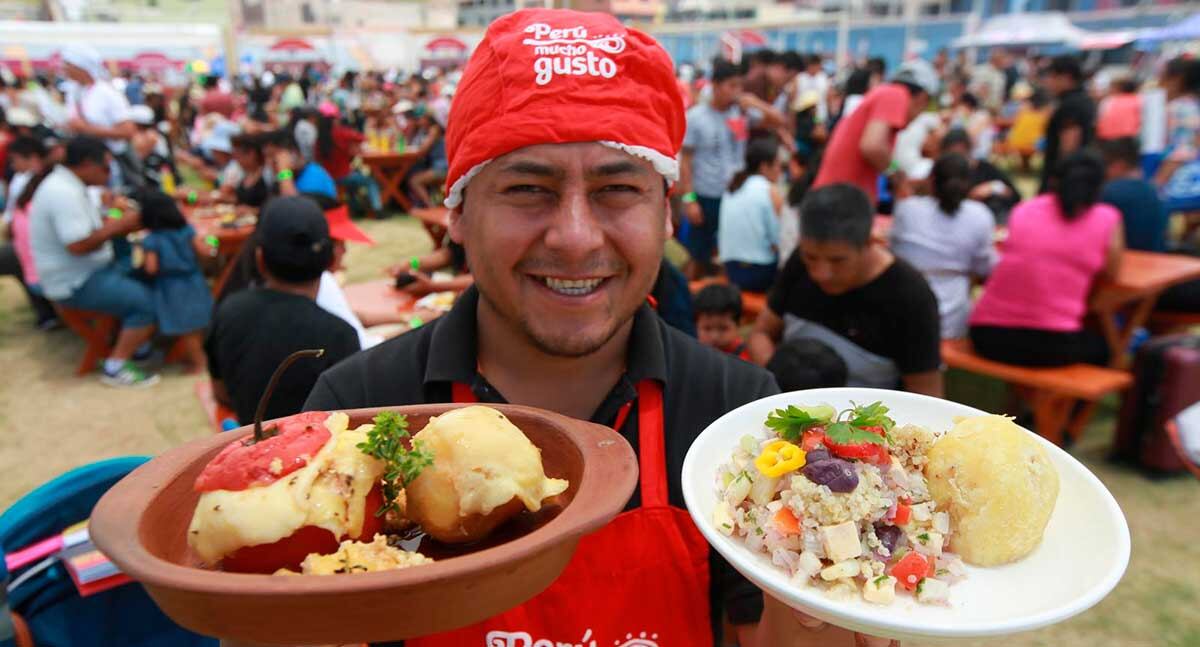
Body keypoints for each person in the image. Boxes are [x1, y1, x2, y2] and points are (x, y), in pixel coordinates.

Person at [303, 9, 894, 647]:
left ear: (666, 214)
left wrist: (839, 602)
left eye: (617, 189)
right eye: (528, 188)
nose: (577, 238)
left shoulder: (735, 413)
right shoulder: (357, 412)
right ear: (458, 212)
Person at [748, 183, 943, 396]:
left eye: (837, 260)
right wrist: (781, 384)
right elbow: (761, 333)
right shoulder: (799, 261)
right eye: (811, 257)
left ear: (870, 242)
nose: (821, 273)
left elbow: (926, 393)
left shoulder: (910, 297)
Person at [206, 196, 360, 424]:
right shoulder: (340, 335)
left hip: (250, 434)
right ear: (330, 260)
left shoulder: (228, 310)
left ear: (260, 259)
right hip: (317, 444)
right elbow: (351, 418)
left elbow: (220, 391)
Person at [970, 151, 1123, 367]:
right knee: (1106, 349)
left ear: (1055, 180)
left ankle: (1020, 391)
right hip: (1053, 342)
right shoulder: (1107, 218)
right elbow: (1112, 272)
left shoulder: (1025, 210)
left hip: (986, 335)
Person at [29, 136, 158, 387]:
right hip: (75, 283)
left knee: (147, 278)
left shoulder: (69, 185)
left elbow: (87, 233)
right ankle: (116, 366)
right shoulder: (62, 192)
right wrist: (120, 225)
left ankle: (139, 346)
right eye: (106, 167)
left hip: (85, 273)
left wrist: (111, 216)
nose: (109, 174)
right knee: (146, 302)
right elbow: (78, 245)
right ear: (88, 164)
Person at [679, 59, 784, 278]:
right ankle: (694, 291)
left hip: (736, 194)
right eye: (732, 86)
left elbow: (778, 120)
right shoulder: (696, 117)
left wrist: (756, 103)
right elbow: (685, 161)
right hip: (707, 195)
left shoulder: (741, 113)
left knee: (729, 251)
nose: (737, 91)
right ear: (716, 85)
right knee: (698, 254)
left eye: (740, 86)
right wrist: (689, 199)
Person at [891, 153, 997, 339]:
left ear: (931, 180)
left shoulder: (907, 209)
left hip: (903, 314)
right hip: (953, 320)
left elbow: (894, 252)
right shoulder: (979, 215)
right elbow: (985, 267)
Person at [812, 58, 938, 205]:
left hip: (839, 200)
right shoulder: (896, 94)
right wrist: (898, 176)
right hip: (838, 203)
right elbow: (872, 146)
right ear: (922, 98)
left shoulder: (885, 94)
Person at [137, 189, 212, 373]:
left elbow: (151, 268)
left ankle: (199, 363)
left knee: (186, 329)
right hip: (194, 280)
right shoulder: (187, 231)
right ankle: (198, 358)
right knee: (196, 327)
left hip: (172, 287)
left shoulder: (152, 239)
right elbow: (204, 251)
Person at [0, 135, 59, 329]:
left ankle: (47, 313)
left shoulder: (38, 182)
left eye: (14, 160)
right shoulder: (28, 180)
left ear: (33, 158)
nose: (12, 165)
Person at [60, 45, 136, 187]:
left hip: (107, 163)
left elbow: (128, 131)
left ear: (80, 66)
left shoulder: (106, 93)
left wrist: (86, 129)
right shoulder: (74, 91)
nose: (64, 68)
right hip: (84, 162)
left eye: (68, 64)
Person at [717, 136, 783, 292]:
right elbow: (778, 242)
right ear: (764, 166)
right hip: (760, 272)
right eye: (778, 165)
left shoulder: (732, 187)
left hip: (732, 269)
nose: (780, 171)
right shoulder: (769, 190)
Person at [1100, 137, 1168, 253]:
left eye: (1105, 164)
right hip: (1155, 261)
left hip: (1125, 261)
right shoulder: (1153, 192)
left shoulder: (1109, 193)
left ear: (1119, 165)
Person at [1039, 55, 1096, 194]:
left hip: (1068, 177)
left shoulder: (1071, 105)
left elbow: (1069, 143)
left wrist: (1059, 176)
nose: (1047, 82)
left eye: (1051, 76)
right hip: (1082, 171)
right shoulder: (1084, 99)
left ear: (1066, 77)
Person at [940, 128, 1020, 224]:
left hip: (995, 216)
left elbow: (1014, 196)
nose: (958, 154)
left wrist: (993, 187)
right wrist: (972, 196)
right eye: (953, 151)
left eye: (962, 148)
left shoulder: (985, 168)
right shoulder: (944, 172)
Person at [1154, 57, 1200, 189]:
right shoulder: (1192, 104)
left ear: (1176, 80)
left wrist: (1156, 185)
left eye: (1162, 77)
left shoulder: (1180, 108)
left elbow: (1181, 152)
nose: (1159, 83)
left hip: (1180, 184)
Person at [694, 283, 750, 360]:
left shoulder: (746, 358)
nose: (714, 337)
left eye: (723, 328)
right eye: (707, 328)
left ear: (739, 324)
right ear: (696, 325)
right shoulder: (692, 353)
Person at [1097, 77, 1142, 142]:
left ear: (1118, 89)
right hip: (1130, 136)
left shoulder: (1108, 101)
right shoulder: (1138, 99)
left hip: (1109, 136)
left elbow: (1101, 118)